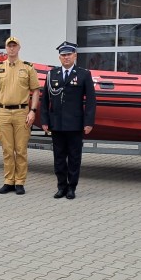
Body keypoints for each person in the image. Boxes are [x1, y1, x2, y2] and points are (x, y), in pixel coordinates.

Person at [40, 41, 96, 199]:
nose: (66, 58)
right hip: (56, 124)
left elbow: (91, 101)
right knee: (58, 158)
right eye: (63, 55)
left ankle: (72, 187)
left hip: (75, 124)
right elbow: (45, 100)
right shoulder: (52, 74)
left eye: (69, 55)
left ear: (75, 56)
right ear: (59, 57)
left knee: (74, 157)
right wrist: (44, 121)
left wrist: (88, 122)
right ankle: (61, 186)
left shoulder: (83, 74)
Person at [0, 36, 40, 195]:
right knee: (7, 150)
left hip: (21, 112)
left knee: (21, 150)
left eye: (14, 46)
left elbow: (35, 90)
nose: (11, 49)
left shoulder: (28, 68)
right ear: (6, 48)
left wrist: (33, 110)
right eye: (9, 46)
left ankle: (20, 182)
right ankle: (9, 181)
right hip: (2, 112)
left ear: (18, 48)